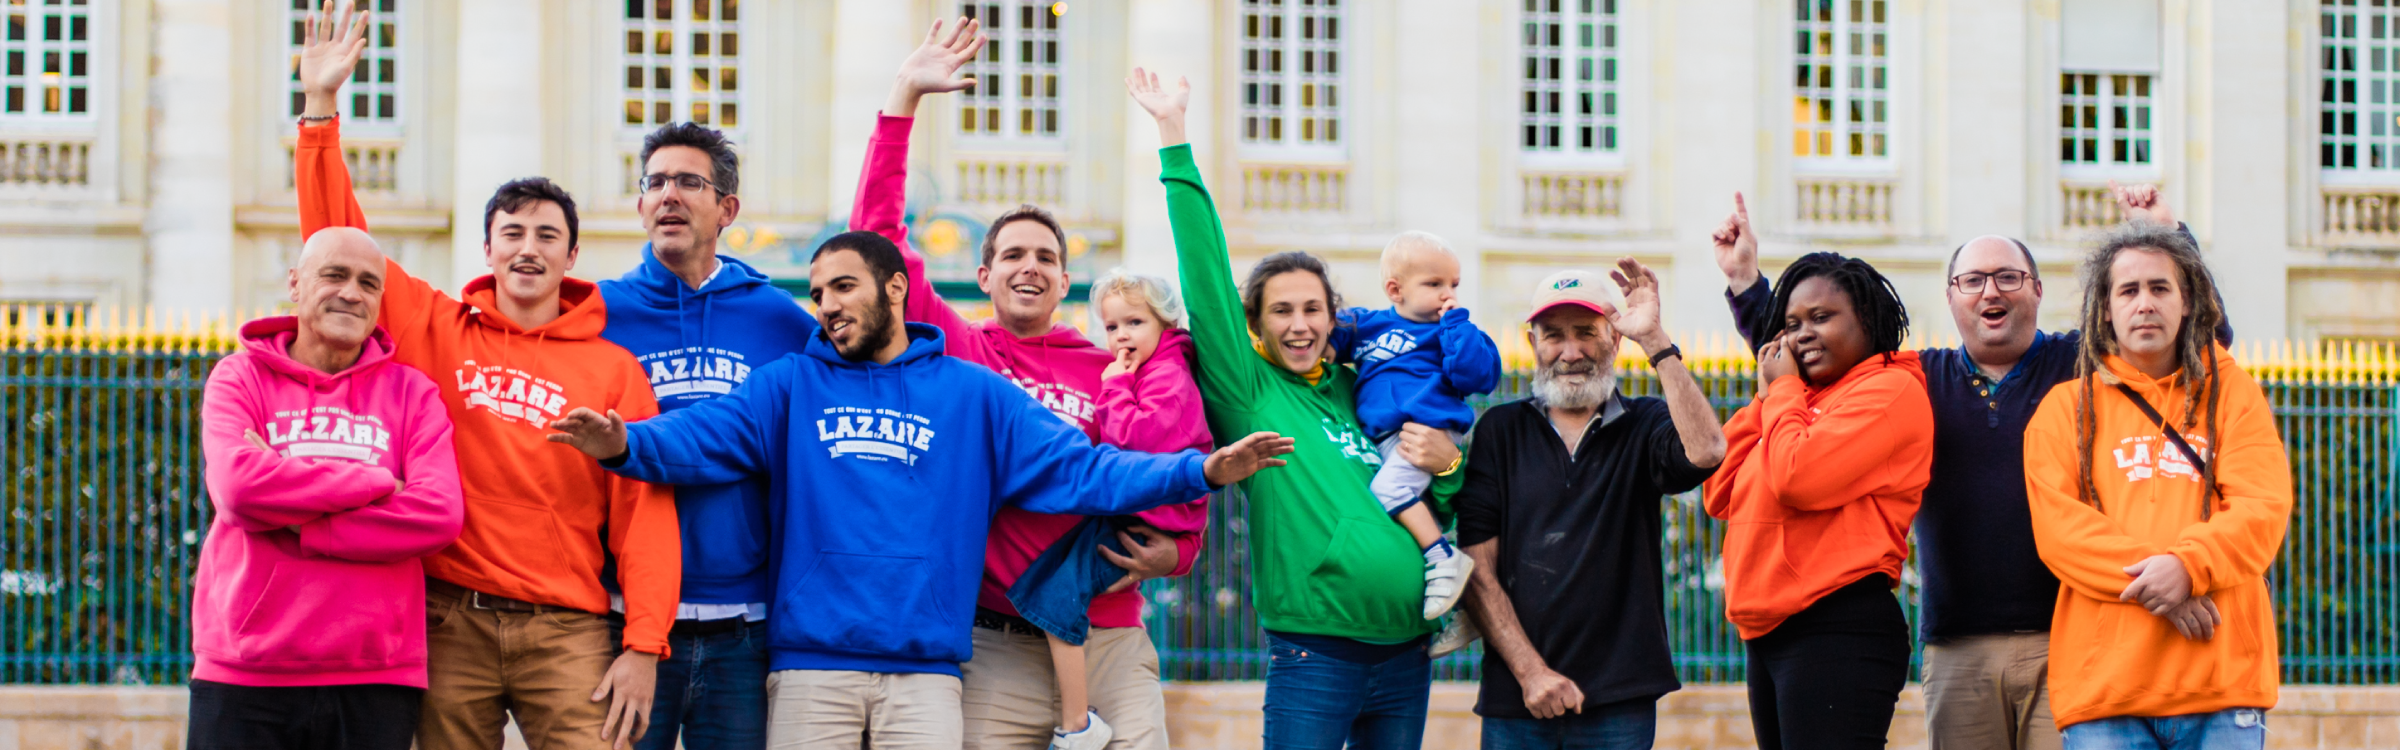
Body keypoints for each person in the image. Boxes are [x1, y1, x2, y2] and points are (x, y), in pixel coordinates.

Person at [543, 229, 1296, 750]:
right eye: (815, 292)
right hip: (810, 670)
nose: (826, 304)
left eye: (843, 286)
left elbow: (1084, 469)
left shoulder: (975, 395)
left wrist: (1199, 470)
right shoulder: (790, 386)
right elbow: (701, 437)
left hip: (928, 674)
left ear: (895, 288)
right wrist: (626, 444)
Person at [1714, 186, 2230, 750]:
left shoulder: (2081, 364)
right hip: (1957, 648)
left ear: (2036, 290)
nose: (1992, 290)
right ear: (1952, 296)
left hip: (2069, 637)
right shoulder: (1915, 378)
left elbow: (2195, 342)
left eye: (2008, 277)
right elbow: (1812, 350)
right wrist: (1746, 284)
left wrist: (2168, 239)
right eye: (1973, 280)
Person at [292, 6, 679, 747]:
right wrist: (320, 111)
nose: (528, 249)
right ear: (488, 249)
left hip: (569, 629)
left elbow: (645, 514)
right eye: (513, 234)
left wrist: (644, 643)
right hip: (445, 619)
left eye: (547, 236)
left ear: (571, 258)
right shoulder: (434, 325)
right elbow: (337, 240)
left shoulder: (612, 368)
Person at [850, 22, 1213, 750]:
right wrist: (901, 103)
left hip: (1109, 638)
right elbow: (876, 242)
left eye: (1046, 256)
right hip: (996, 646)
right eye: (1012, 253)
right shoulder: (961, 352)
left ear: (1065, 282)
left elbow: (1181, 451)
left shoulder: (1114, 364)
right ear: (982, 277)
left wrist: (1182, 553)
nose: (1030, 265)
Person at [1139, 68, 1464, 750]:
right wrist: (1174, 142)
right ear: (1254, 325)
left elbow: (1440, 486)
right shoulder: (1250, 390)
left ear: (1333, 317)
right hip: (1316, 656)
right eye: (1280, 310)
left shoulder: (1361, 390)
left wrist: (1453, 464)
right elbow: (1204, 275)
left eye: (1312, 309)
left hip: (1409, 653)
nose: (1298, 324)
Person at [188, 211, 466, 749]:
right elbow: (240, 491)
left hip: (374, 674)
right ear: (295, 282)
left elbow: (437, 516)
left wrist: (303, 522)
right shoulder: (239, 377)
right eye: (334, 275)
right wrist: (377, 481)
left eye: (368, 283)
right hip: (246, 669)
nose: (351, 294)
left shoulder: (413, 393)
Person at [590, 119, 819, 750]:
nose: (669, 194)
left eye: (690, 182)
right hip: (624, 621)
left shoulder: (778, 318)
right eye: (656, 182)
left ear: (726, 208)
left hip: (743, 630)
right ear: (639, 204)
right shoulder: (597, 312)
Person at [2024, 222, 2290, 749]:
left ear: (2187, 302)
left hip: (2222, 683)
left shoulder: (2233, 393)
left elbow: (2262, 507)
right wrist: (2168, 580)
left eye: (2159, 288)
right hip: (2106, 692)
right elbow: (2061, 531)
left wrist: (2189, 567)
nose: (2144, 303)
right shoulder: (2062, 410)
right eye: (2128, 290)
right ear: (2105, 308)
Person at [1451, 262, 1726, 750]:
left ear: (1615, 339)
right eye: (1553, 335)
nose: (1570, 351)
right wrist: (1532, 673)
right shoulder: (1499, 430)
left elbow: (1706, 451)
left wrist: (1657, 341)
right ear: (1532, 340)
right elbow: (1477, 567)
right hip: (1517, 697)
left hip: (1621, 699)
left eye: (1587, 332)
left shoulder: (1646, 422)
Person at [1702, 251, 1932, 750]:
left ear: (1867, 319)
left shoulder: (1890, 390)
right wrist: (1766, 399)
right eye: (1791, 323)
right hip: (1769, 631)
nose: (1801, 333)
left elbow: (1798, 478)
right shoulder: (1797, 401)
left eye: (1821, 317)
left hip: (1837, 625)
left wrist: (1783, 391)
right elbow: (1720, 491)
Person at [1000, 269, 1215, 750]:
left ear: (1165, 323)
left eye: (1135, 323)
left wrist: (1113, 388)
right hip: (1147, 515)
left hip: (1147, 517)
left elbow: (1129, 446)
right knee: (1051, 590)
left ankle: (1078, 726)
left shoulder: (1167, 376)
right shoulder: (1157, 369)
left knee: (1053, 600)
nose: (1121, 336)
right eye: (1112, 326)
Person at [1333, 231, 1502, 620]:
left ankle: (1443, 558)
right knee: (1399, 513)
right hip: (1384, 437)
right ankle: (1467, 609)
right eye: (1434, 284)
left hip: (1429, 432)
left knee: (1389, 490)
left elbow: (1476, 377)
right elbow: (1324, 336)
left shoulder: (1454, 333)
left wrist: (1456, 327)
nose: (1449, 295)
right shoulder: (1367, 326)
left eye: (1454, 285)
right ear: (1395, 290)